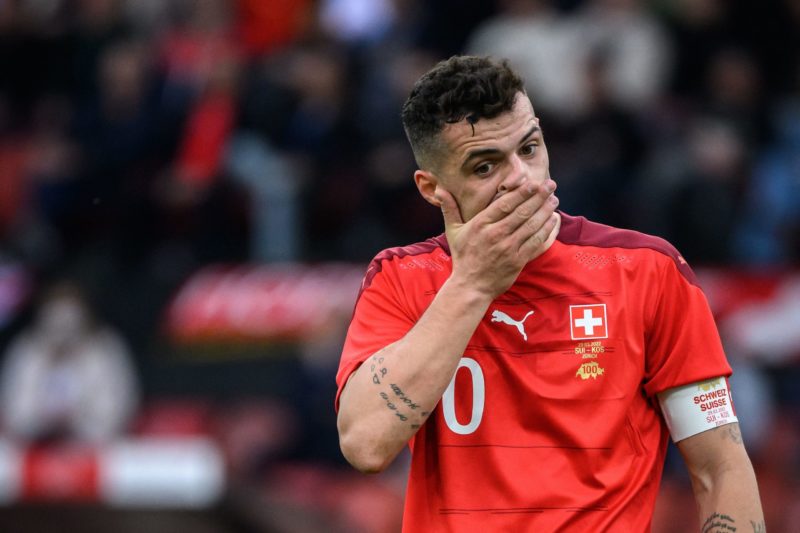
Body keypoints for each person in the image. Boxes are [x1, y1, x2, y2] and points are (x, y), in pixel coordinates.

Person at [334, 56, 764, 531]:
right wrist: (474, 284)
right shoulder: (401, 278)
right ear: (432, 188)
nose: (521, 177)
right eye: (485, 166)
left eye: (530, 148)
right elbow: (365, 445)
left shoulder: (648, 271)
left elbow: (719, 466)